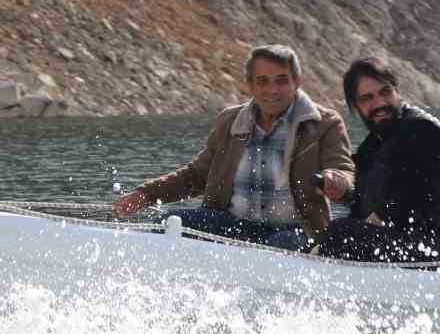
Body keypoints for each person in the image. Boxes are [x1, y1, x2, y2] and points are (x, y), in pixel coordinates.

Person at [112, 44, 352, 250]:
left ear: (297, 82)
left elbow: (343, 170)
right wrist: (146, 195)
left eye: (281, 81)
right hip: (230, 222)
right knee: (165, 224)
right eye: (262, 81)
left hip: (294, 229)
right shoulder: (231, 121)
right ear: (249, 85)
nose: (272, 90)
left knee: (280, 251)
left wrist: (337, 181)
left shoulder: (325, 123)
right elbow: (197, 176)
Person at [316, 57, 440, 262]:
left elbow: (411, 197)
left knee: (340, 232)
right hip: (404, 241)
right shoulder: (371, 148)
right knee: (319, 238)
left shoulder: (423, 130)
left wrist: (371, 219)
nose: (379, 103)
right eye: (367, 98)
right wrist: (344, 194)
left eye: (385, 92)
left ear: (397, 92)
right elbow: (368, 208)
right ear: (355, 107)